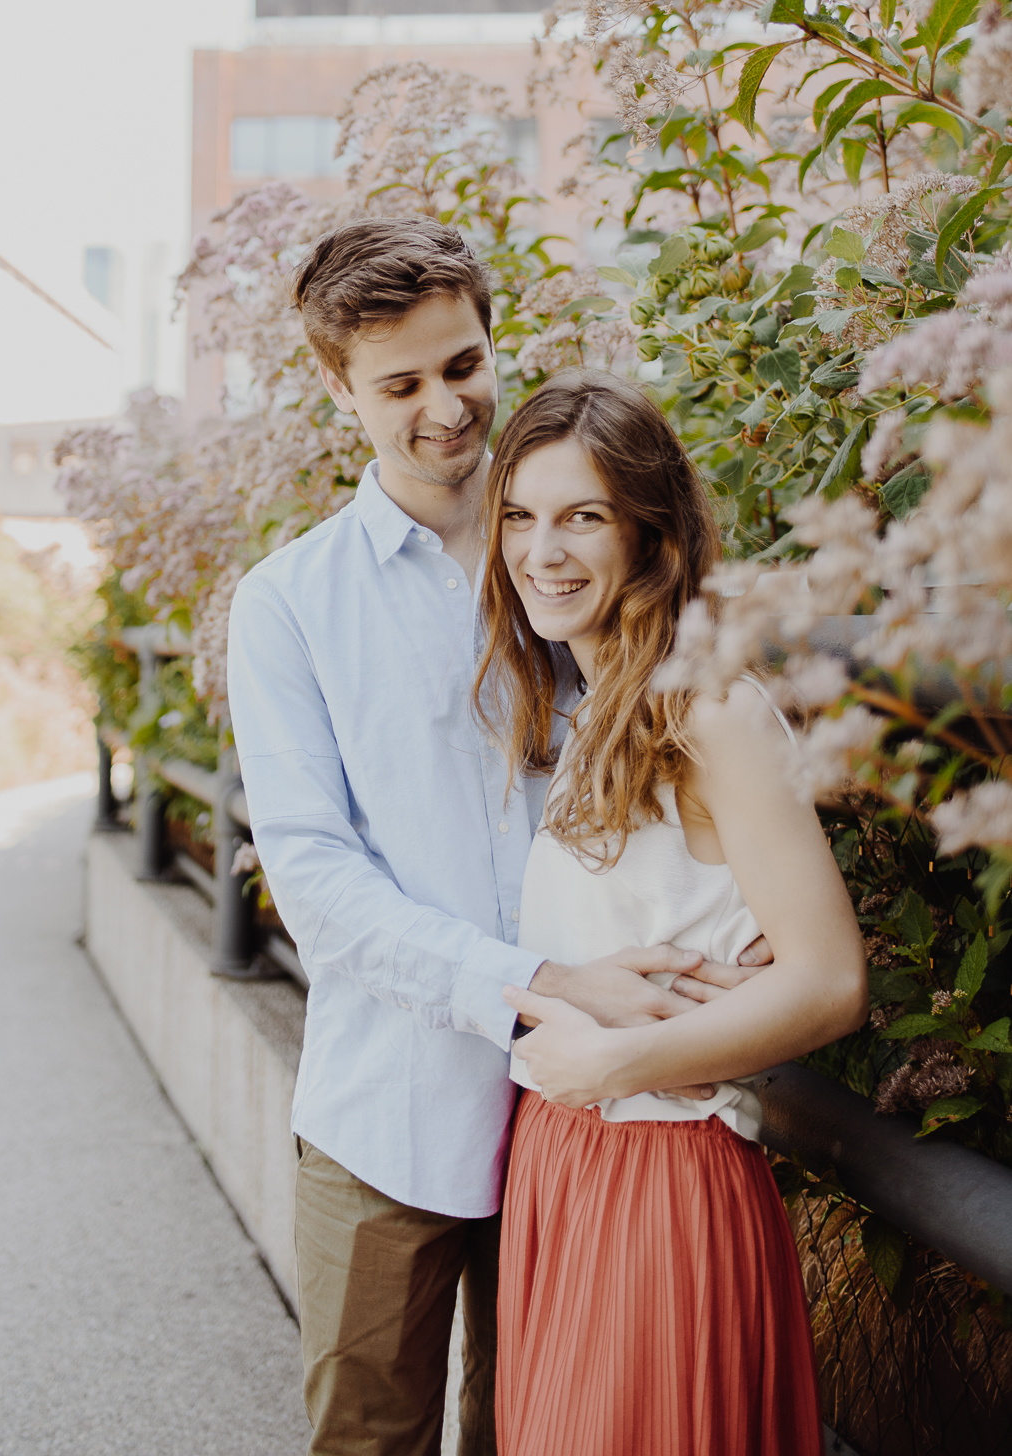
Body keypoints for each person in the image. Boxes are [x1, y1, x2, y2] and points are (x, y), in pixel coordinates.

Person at [226, 221, 772, 1456]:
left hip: (595, 1118)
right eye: (399, 383)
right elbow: (314, 876)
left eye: (463, 364)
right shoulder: (291, 603)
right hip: (393, 1112)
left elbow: (682, 776)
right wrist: (538, 984)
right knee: (370, 1438)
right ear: (335, 387)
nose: (444, 407)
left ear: (491, 339)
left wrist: (727, 960)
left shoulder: (575, 554)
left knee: (535, 1430)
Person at [475, 369, 869, 1455]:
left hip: (661, 1171)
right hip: (562, 1158)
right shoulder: (587, 702)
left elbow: (829, 977)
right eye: (519, 516)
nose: (539, 550)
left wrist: (614, 1063)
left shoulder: (706, 705)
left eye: (581, 517)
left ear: (649, 534)